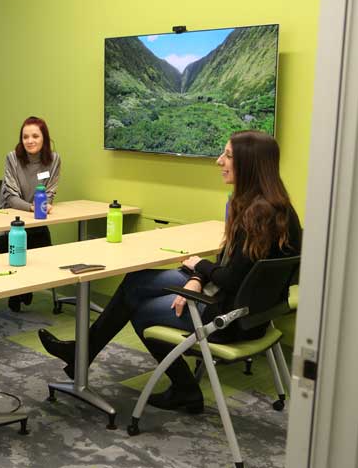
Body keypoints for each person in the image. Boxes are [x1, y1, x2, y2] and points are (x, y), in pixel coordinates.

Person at [39, 130, 302, 414]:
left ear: (249, 163)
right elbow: (233, 266)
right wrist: (197, 278)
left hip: (227, 317)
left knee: (140, 309)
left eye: (227, 155)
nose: (218, 161)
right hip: (254, 313)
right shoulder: (281, 209)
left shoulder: (255, 215)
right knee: (137, 281)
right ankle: (82, 354)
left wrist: (198, 266)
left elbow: (231, 277)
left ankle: (184, 390)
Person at [0, 116, 61, 311]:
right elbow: (11, 197)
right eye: (25, 137)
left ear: (44, 138)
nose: (30, 141)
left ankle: (23, 288)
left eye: (35, 136)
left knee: (45, 251)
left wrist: (46, 204)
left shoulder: (54, 160)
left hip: (35, 222)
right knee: (19, 250)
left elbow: (50, 191)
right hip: (6, 224)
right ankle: (18, 290)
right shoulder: (12, 158)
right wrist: (33, 208)